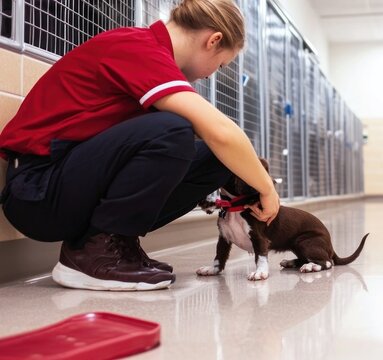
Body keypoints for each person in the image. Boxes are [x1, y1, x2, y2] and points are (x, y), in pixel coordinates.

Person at [0, 0, 279, 291]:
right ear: (213, 40)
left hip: (67, 185)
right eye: (220, 64)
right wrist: (267, 189)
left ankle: (113, 242)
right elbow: (220, 131)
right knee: (174, 131)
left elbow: (220, 143)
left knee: (216, 158)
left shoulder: (157, 61)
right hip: (37, 192)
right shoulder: (138, 47)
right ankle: (92, 257)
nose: (212, 74)